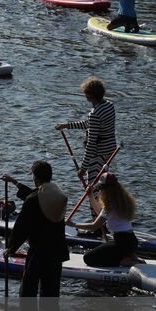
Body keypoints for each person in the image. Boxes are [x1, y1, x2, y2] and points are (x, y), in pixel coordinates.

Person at [2, 161, 68, 311]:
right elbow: (35, 196)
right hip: (57, 251)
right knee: (51, 290)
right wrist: (15, 182)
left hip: (39, 251)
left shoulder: (34, 200)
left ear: (35, 176)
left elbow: (22, 226)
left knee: (28, 289)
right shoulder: (57, 195)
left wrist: (11, 248)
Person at [56, 76, 117, 218]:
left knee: (93, 190)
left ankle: (97, 225)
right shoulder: (109, 105)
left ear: (89, 95)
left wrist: (83, 168)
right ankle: (106, 219)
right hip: (109, 150)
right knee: (103, 187)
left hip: (98, 154)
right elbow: (91, 124)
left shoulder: (95, 114)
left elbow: (91, 143)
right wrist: (67, 125)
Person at [68, 173, 140, 267]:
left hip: (121, 243)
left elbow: (93, 226)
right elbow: (100, 213)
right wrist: (90, 196)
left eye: (101, 189)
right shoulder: (124, 201)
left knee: (88, 258)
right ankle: (130, 256)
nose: (100, 191)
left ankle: (123, 261)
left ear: (107, 190)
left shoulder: (110, 206)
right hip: (132, 242)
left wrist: (73, 224)